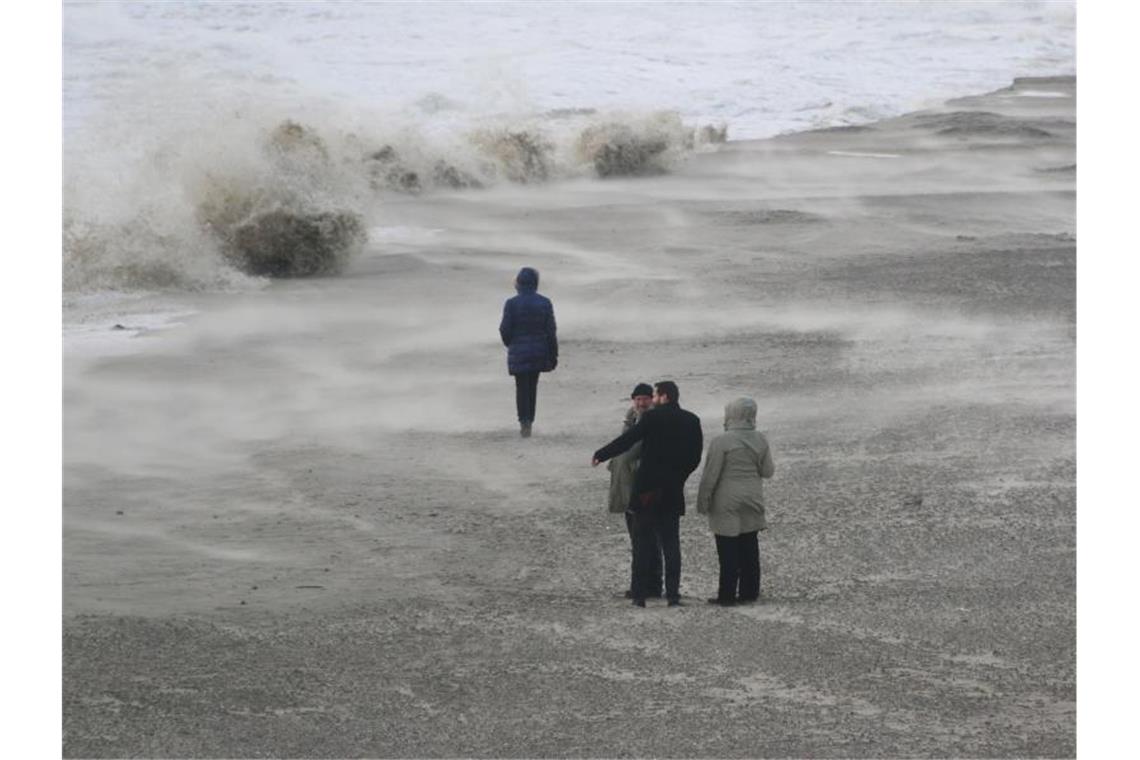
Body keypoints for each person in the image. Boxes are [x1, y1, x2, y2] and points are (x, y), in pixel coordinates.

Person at [592, 381, 702, 607]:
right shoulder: (692, 420)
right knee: (671, 543)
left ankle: (640, 595)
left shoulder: (652, 418)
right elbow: (695, 457)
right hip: (672, 489)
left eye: (655, 395)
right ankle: (672, 595)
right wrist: (680, 476)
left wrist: (602, 454)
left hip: (646, 490)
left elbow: (627, 441)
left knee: (641, 542)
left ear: (663, 396)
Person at [696, 397, 775, 606]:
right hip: (752, 496)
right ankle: (750, 591)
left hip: (726, 498)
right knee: (750, 545)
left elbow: (711, 475)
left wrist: (703, 501)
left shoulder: (721, 441)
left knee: (727, 547)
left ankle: (727, 595)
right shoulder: (760, 439)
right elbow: (768, 471)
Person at [607, 383, 663, 599]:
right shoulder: (630, 419)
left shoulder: (652, 421)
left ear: (652, 399)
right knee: (638, 539)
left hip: (643, 488)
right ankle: (645, 585)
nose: (641, 403)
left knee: (647, 539)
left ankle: (650, 586)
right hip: (627, 486)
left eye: (645, 399)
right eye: (637, 399)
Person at [498, 267, 558, 437]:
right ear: (535, 283)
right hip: (539, 351)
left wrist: (511, 344)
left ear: (518, 283)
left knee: (521, 387)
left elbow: (504, 329)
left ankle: (524, 422)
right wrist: (553, 355)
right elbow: (551, 331)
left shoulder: (511, 303)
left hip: (519, 351)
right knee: (532, 386)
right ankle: (530, 421)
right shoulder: (545, 302)